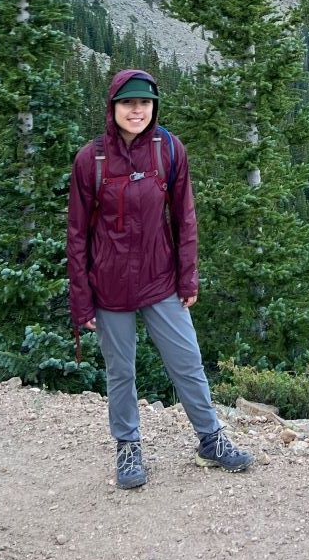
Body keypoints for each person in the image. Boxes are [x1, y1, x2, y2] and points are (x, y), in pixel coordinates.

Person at [67, 68, 252, 488]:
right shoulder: (90, 160)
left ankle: (210, 438)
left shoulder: (168, 150)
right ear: (112, 107)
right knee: (121, 373)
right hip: (109, 286)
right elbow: (76, 235)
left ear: (154, 107)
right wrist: (81, 301)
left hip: (160, 280)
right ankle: (128, 447)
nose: (137, 110)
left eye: (145, 103)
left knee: (187, 362)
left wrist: (188, 278)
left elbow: (184, 218)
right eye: (128, 103)